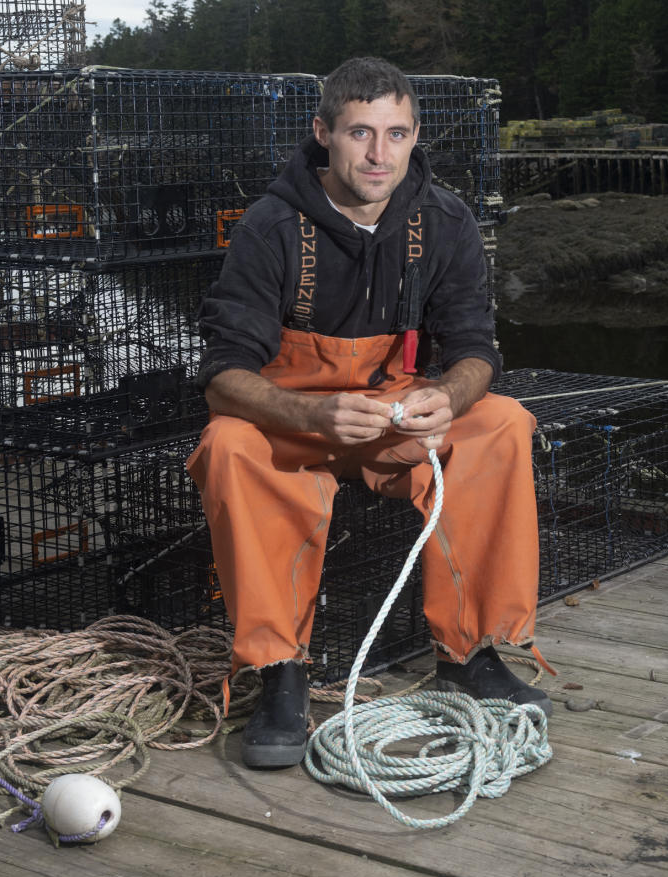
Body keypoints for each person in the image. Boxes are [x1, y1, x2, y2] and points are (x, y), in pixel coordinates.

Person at [187, 56, 548, 769]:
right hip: (292, 417)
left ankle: (466, 653)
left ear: (415, 137)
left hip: (395, 415)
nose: (379, 154)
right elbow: (222, 377)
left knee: (502, 422)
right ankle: (281, 671)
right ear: (323, 133)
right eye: (360, 132)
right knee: (228, 444)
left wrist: (446, 398)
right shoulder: (270, 225)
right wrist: (312, 417)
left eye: (396, 133)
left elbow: (477, 348)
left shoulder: (445, 221)